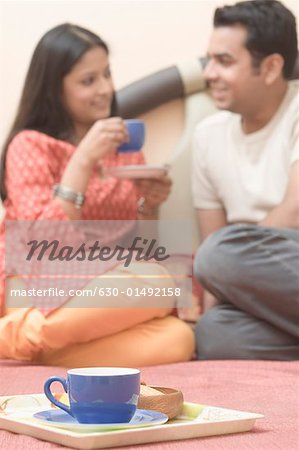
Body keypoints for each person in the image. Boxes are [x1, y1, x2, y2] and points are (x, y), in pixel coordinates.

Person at [0, 23, 195, 367]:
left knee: (179, 338)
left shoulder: (126, 152)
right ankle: (24, 333)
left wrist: (148, 206)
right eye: (88, 81)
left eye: (107, 74)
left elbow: (140, 249)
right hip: (33, 285)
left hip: (99, 290)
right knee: (157, 282)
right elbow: (42, 249)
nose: (105, 89)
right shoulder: (29, 145)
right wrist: (83, 159)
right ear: (53, 89)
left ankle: (32, 343)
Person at [192, 0, 299, 360]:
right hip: (265, 290)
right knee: (214, 334)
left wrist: (226, 258)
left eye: (224, 61)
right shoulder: (207, 136)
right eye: (209, 60)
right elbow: (212, 245)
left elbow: (295, 210)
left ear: (270, 68)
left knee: (218, 252)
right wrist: (217, 296)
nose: (209, 73)